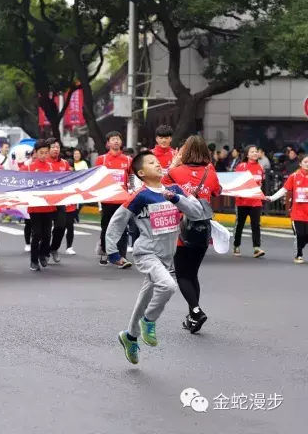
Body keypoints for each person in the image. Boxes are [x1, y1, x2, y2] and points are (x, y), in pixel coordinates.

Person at [108, 151, 208, 365]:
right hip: (147, 252)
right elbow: (118, 220)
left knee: (144, 297)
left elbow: (198, 212)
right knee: (168, 286)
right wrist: (112, 250)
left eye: (158, 161)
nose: (158, 164)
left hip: (167, 254)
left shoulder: (175, 190)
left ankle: (130, 336)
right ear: (142, 173)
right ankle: (149, 321)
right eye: (151, 163)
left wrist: (177, 199)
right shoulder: (141, 196)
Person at [164, 136, 221, 333]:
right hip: (203, 230)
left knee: (181, 274)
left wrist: (174, 163)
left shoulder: (174, 172)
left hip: (181, 229)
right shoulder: (210, 171)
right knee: (192, 274)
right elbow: (217, 191)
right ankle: (192, 317)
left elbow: (160, 187)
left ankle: (196, 312)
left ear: (184, 152)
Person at [95, 131, 132, 267]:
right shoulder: (102, 160)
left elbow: (132, 178)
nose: (116, 141)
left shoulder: (128, 160)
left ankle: (122, 256)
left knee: (122, 228)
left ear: (121, 142)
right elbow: (96, 179)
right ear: (108, 143)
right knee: (106, 227)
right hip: (107, 200)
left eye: (118, 139)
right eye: (113, 139)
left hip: (123, 201)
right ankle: (105, 252)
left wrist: (132, 193)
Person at [23, 139, 57, 270]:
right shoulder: (29, 168)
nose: (44, 155)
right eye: (41, 153)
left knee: (47, 234)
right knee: (37, 234)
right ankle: (33, 260)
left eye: (46, 153)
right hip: (35, 207)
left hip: (49, 207)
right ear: (35, 153)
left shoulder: (51, 167)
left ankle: (42, 254)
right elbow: (21, 183)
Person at [268, 155, 308, 263]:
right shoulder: (294, 176)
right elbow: (284, 190)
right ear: (300, 164)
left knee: (306, 236)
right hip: (297, 212)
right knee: (299, 234)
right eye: (306, 161)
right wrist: (272, 198)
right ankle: (298, 255)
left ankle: (301, 245)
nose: (307, 164)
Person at [46, 138, 76, 261]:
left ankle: (54, 248)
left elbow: (70, 180)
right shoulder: (43, 162)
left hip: (60, 201)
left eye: (57, 147)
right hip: (45, 202)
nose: (55, 149)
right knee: (45, 231)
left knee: (60, 227)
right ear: (47, 149)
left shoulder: (64, 164)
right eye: (53, 147)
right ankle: (44, 252)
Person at [233, 145, 266, 258]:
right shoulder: (241, 166)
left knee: (256, 225)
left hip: (256, 201)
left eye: (256, 151)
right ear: (247, 154)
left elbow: (261, 183)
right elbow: (236, 182)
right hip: (242, 201)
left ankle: (256, 248)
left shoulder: (260, 167)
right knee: (239, 225)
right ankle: (236, 245)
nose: (255, 153)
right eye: (252, 152)